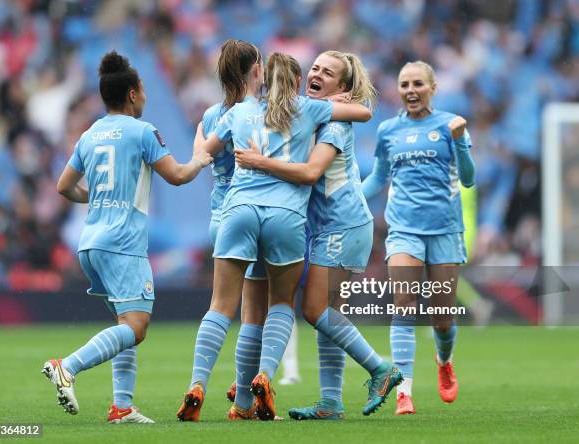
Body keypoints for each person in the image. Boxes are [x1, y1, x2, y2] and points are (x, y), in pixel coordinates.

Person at [177, 51, 372, 421]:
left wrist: (197, 145)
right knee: (280, 305)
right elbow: (363, 113)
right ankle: (262, 380)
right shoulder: (305, 109)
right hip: (284, 217)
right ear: (293, 81)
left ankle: (199, 384)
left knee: (226, 307)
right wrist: (330, 101)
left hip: (233, 214)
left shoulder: (232, 112)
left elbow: (203, 155)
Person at [43, 50, 211, 424]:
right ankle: (66, 366)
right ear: (133, 94)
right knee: (135, 327)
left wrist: (97, 197)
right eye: (144, 91)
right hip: (123, 243)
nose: (146, 97)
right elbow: (179, 176)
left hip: (92, 242)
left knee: (124, 325)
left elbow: (63, 186)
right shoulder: (142, 131)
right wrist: (202, 156)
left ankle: (121, 406)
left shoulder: (90, 134)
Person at [234, 51, 402, 420]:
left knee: (314, 310)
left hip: (343, 224)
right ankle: (331, 402)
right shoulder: (313, 116)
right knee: (331, 317)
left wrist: (260, 161)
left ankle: (380, 368)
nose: (317, 74)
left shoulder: (334, 126)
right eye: (315, 68)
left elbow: (311, 173)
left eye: (328, 73)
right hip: (330, 226)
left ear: (341, 87)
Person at [361, 60, 475, 415]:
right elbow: (379, 178)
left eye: (417, 84)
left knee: (442, 317)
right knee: (404, 306)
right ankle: (404, 390)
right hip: (404, 230)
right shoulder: (389, 131)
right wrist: (349, 201)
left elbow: (468, 179)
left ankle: (444, 361)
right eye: (405, 84)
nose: (410, 90)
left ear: (432, 88)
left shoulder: (450, 125)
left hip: (444, 230)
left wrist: (461, 144)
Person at [198, 39, 270, 420]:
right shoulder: (262, 111)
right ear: (257, 70)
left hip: (218, 218)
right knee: (253, 312)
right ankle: (243, 402)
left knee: (218, 306)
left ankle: (197, 383)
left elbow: (200, 154)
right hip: (254, 213)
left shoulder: (211, 115)